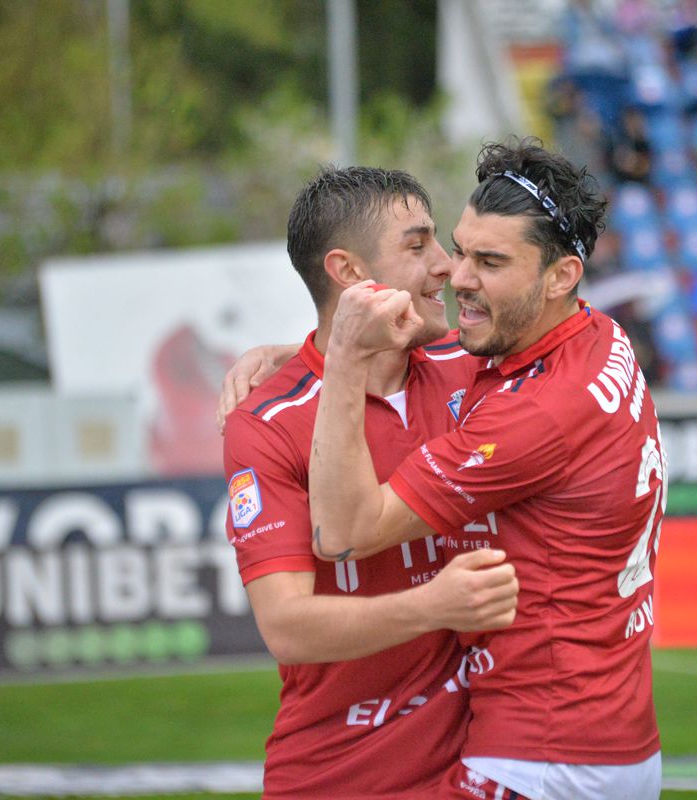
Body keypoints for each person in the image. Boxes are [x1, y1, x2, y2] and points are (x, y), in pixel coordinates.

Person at [308, 139, 666, 799]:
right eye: (460, 248)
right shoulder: (596, 335)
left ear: (561, 276)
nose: (459, 275)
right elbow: (459, 343)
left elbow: (344, 531)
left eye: (490, 261)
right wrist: (290, 356)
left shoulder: (536, 417)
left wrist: (338, 361)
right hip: (603, 736)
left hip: (546, 758)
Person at [221, 166, 519, 799]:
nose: (447, 266)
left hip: (482, 764)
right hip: (342, 774)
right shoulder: (265, 422)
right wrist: (432, 606)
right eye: (418, 246)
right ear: (349, 273)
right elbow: (287, 628)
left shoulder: (473, 366)